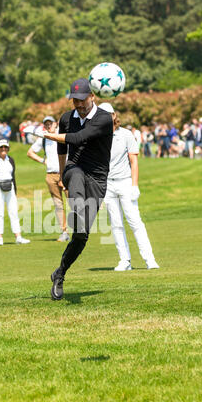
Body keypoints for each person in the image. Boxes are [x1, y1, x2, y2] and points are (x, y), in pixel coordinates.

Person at [37, 78, 113, 300]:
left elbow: (79, 138)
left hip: (98, 178)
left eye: (81, 100)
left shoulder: (104, 119)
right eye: (74, 100)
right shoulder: (66, 118)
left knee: (81, 236)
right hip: (75, 168)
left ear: (92, 97)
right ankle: (77, 209)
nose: (78, 104)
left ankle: (59, 273)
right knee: (76, 176)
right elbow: (63, 148)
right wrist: (63, 175)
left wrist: (50, 135)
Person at [99, 103, 159, 271]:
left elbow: (134, 161)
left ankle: (149, 259)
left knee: (135, 221)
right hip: (107, 185)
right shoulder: (96, 136)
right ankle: (125, 260)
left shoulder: (125, 134)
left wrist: (134, 185)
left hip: (125, 182)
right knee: (116, 224)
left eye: (108, 114)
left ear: (113, 116)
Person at [27, 116, 69, 243]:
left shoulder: (62, 136)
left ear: (56, 124)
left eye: (50, 124)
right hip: (50, 175)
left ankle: (80, 230)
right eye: (46, 124)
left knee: (73, 201)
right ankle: (64, 232)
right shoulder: (43, 139)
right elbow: (30, 152)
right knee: (58, 204)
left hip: (66, 173)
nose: (49, 126)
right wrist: (42, 161)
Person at [0, 138, 30, 246]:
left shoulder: (11, 160)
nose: (3, 149)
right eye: (1, 147)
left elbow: (13, 175)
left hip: (10, 187)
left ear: (8, 148)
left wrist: (15, 189)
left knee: (13, 212)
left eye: (5, 147)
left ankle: (18, 236)